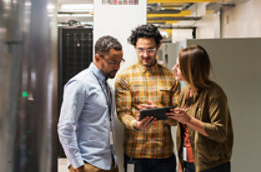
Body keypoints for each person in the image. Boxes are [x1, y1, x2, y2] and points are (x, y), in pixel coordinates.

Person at [114, 24, 180, 172]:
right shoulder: (124, 77)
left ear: (158, 46)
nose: (145, 55)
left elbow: (177, 118)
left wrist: (160, 113)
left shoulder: (171, 77)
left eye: (150, 49)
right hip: (135, 153)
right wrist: (135, 124)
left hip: (164, 155)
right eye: (140, 50)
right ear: (135, 48)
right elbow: (123, 113)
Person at [57, 35, 123, 172]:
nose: (117, 67)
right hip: (88, 163)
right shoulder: (80, 84)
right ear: (98, 58)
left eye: (119, 62)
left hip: (108, 161)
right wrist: (77, 165)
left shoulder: (107, 86)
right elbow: (65, 127)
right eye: (112, 62)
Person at [167, 45, 233, 172]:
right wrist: (158, 113)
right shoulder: (185, 91)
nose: (174, 69)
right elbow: (184, 131)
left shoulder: (215, 94)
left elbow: (220, 133)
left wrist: (189, 120)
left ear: (191, 69)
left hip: (212, 166)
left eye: (179, 66)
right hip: (188, 164)